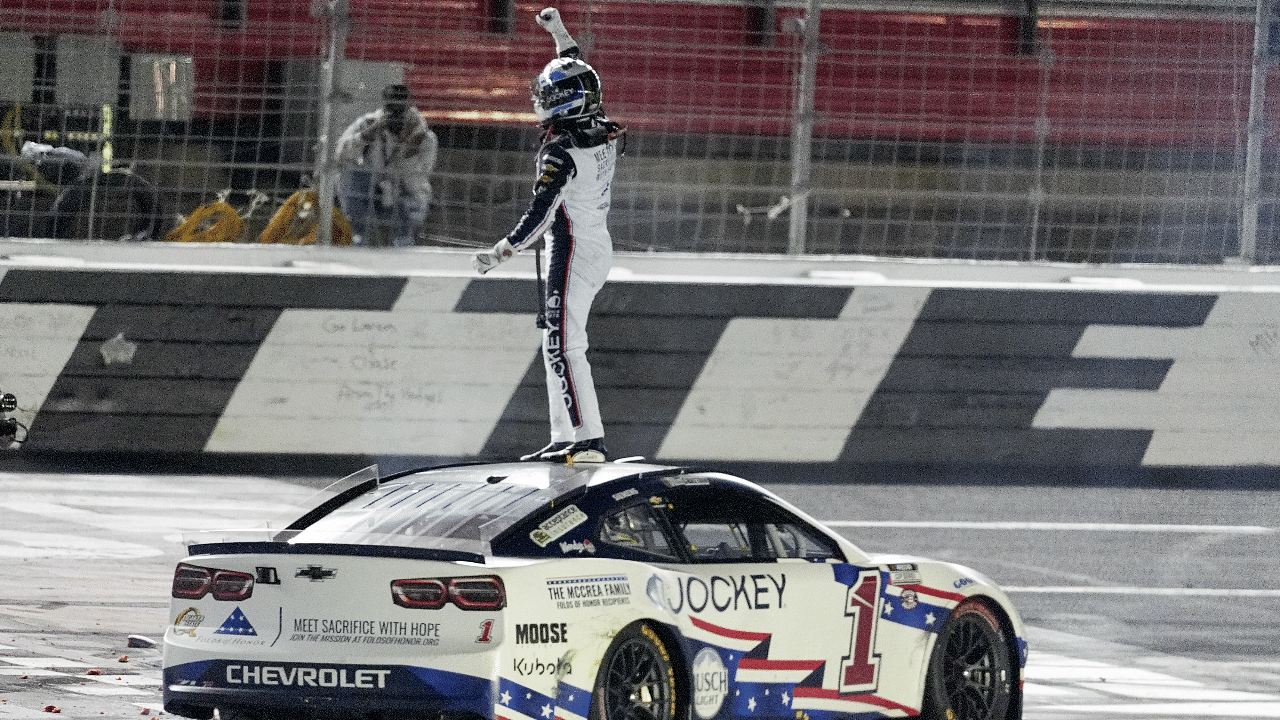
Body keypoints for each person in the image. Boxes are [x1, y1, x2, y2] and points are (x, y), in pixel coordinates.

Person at [472, 7, 626, 465]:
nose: (540, 98)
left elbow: (542, 212)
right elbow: (581, 68)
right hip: (593, 243)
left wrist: (503, 250)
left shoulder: (560, 152)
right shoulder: (598, 128)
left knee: (562, 344)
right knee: (558, 343)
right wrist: (558, 33)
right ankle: (569, 437)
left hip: (572, 249)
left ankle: (586, 442)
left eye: (549, 93)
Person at [334, 83, 438, 247]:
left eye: (400, 111)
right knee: (349, 175)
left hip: (403, 195)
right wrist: (366, 136)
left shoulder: (425, 138)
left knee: (415, 202)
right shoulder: (368, 124)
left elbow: (416, 185)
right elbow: (340, 155)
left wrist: (407, 151)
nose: (395, 118)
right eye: (391, 110)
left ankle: (404, 242)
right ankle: (358, 237)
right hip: (371, 192)